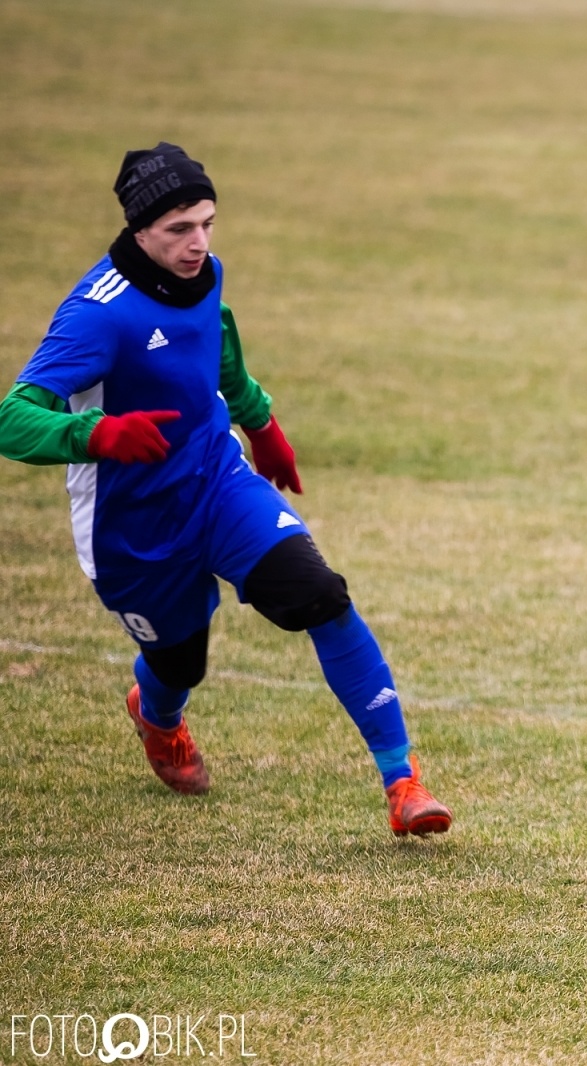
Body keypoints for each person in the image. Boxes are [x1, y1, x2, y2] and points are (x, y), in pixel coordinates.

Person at [0, 143, 451, 836]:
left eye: (207, 223)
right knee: (179, 662)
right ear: (139, 229)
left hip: (217, 483)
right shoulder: (96, 315)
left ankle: (403, 783)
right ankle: (157, 716)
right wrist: (96, 434)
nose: (199, 243)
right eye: (179, 229)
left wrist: (260, 423)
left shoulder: (204, 273)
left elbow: (219, 335)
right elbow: (12, 419)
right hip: (132, 524)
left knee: (323, 597)